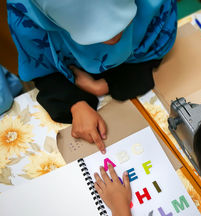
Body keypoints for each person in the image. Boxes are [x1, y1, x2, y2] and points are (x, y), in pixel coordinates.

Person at [7, 0, 177, 153]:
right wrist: (75, 103)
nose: (113, 39)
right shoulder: (26, 17)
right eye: (86, 27)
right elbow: (44, 70)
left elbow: (156, 44)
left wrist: (106, 85)